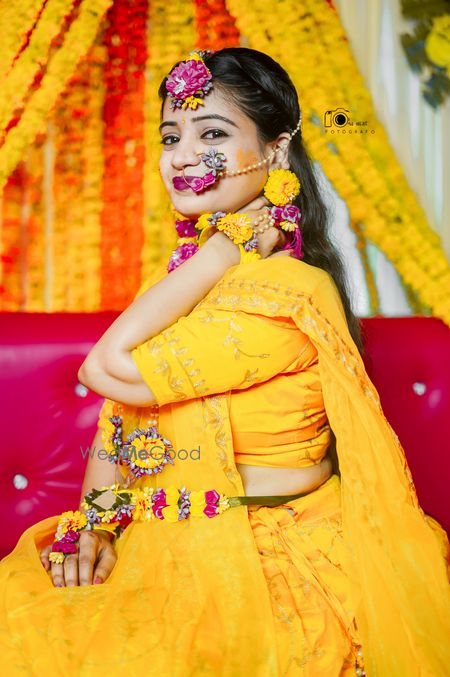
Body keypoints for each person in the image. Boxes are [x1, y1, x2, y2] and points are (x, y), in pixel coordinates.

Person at [0, 47, 449, 676]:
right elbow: (120, 423)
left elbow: (104, 369)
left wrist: (219, 252)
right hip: (164, 538)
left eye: (212, 134)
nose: (183, 156)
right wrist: (95, 530)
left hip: (271, 561)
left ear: (277, 151)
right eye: (171, 136)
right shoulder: (183, 280)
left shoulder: (290, 293)